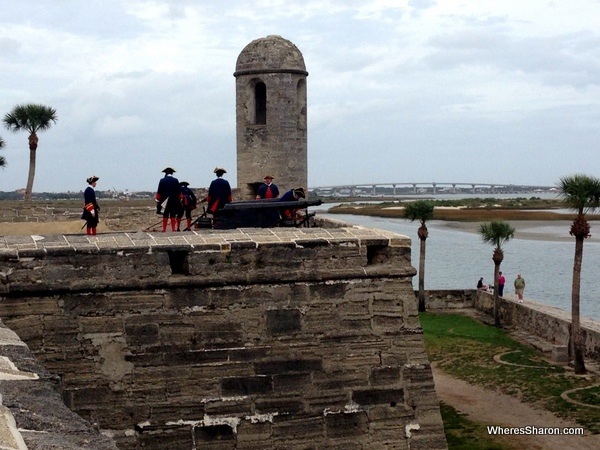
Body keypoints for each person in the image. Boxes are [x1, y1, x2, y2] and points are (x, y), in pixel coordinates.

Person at [155, 167, 183, 232]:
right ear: (172, 173)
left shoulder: (162, 180)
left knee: (165, 215)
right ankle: (173, 229)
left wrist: (158, 200)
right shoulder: (175, 180)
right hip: (174, 200)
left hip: (164, 200)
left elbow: (159, 191)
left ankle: (164, 229)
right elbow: (178, 192)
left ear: (166, 173)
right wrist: (180, 199)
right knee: (173, 214)